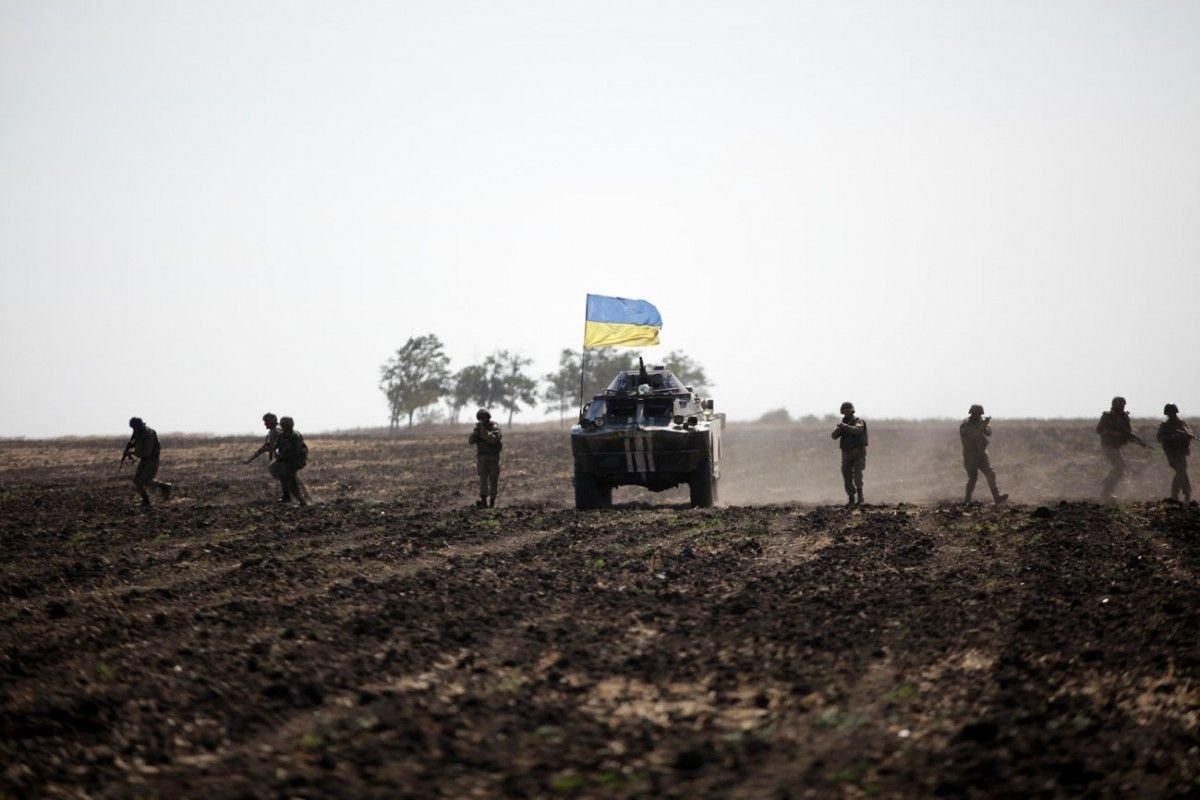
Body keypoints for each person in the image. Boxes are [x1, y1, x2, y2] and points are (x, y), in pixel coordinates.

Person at [1096, 396, 1148, 500]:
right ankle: (1107, 488)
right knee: (1120, 465)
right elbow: (1099, 430)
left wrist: (1139, 441)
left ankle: (1106, 489)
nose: (1122, 407)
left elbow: (1127, 434)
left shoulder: (1124, 417)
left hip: (1116, 446)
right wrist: (1111, 433)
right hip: (1108, 445)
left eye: (1123, 405)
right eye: (1120, 405)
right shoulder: (1107, 416)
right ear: (1114, 405)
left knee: (1120, 468)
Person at [960, 404, 1008, 505]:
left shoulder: (981, 423)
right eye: (977, 414)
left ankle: (997, 497)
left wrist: (985, 425)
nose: (978, 416)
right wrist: (982, 426)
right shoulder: (966, 424)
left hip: (981, 454)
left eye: (979, 414)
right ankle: (967, 500)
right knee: (973, 478)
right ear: (972, 413)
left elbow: (988, 432)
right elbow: (971, 435)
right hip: (970, 455)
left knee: (990, 474)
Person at [122, 417, 172, 508]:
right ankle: (149, 498)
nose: (133, 429)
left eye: (134, 427)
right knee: (137, 481)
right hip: (144, 459)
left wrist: (132, 453)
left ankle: (149, 499)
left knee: (143, 481)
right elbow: (136, 443)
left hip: (151, 459)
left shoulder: (148, 434)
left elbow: (147, 451)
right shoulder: (138, 432)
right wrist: (131, 446)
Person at [831, 401, 867, 506]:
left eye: (848, 409)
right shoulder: (841, 423)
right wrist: (839, 428)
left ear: (852, 410)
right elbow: (833, 436)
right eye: (844, 409)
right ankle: (851, 498)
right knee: (846, 476)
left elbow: (857, 430)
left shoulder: (859, 421)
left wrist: (844, 426)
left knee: (857, 475)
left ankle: (860, 497)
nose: (846, 411)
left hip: (858, 453)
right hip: (846, 454)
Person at [1156, 403, 1194, 503]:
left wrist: (1187, 435)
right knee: (1181, 471)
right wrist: (1172, 437)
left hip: (1181, 451)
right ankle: (1184, 494)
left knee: (1181, 472)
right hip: (1171, 452)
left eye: (1173, 412)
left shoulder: (1182, 423)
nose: (1171, 414)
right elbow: (1160, 438)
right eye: (1170, 412)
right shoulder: (1165, 425)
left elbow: (1189, 433)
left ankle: (1177, 494)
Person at [468, 408, 503, 508]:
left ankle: (492, 502)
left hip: (493, 458)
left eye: (485, 418)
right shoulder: (479, 429)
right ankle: (484, 502)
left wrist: (482, 430)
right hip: (482, 459)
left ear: (488, 417)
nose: (483, 420)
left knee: (493, 480)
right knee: (483, 480)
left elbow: (492, 439)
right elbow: (471, 441)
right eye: (481, 418)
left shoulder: (495, 427)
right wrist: (476, 432)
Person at [271, 416, 308, 506]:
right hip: (284, 461)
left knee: (291, 480)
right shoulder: (281, 436)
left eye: (285, 424)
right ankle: (286, 496)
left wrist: (282, 455)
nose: (283, 426)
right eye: (283, 424)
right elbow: (276, 447)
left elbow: (295, 450)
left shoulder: (295, 436)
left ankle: (302, 501)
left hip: (295, 461)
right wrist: (277, 453)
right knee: (284, 478)